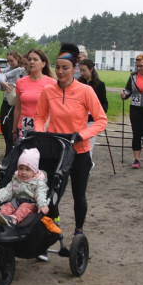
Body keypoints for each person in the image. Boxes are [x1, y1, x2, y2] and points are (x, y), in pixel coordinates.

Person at [34, 53, 107, 237]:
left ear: (74, 69)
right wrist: (41, 134)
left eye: (65, 67)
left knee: (79, 196)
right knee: (49, 194)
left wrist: (83, 135)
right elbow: (40, 117)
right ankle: (50, 229)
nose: (60, 71)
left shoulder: (86, 91)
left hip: (79, 151)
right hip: (55, 151)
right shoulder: (48, 91)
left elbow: (101, 120)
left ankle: (78, 231)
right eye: (57, 67)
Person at [0, 148, 48, 227]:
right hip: (16, 201)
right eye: (20, 168)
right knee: (9, 205)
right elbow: (8, 190)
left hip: (31, 204)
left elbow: (40, 194)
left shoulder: (38, 182)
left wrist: (42, 205)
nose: (23, 172)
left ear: (34, 172)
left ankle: (12, 220)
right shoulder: (16, 179)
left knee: (23, 208)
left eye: (28, 170)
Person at [12, 49, 55, 140]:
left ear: (43, 64)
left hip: (43, 129)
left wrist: (46, 127)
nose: (31, 62)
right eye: (29, 59)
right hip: (24, 128)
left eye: (35, 60)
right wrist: (14, 129)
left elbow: (54, 110)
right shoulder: (20, 82)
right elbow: (18, 108)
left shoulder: (51, 83)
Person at [77, 58, 109, 150]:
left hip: (92, 120)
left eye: (84, 70)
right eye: (80, 70)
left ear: (90, 69)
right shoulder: (78, 83)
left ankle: (88, 163)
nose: (82, 73)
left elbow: (104, 103)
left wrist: (100, 113)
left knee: (88, 146)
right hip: (79, 119)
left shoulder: (100, 84)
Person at [0, 51, 26, 158]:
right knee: (4, 126)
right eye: (8, 61)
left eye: (12, 61)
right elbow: (1, 80)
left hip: (17, 104)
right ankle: (9, 147)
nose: (10, 63)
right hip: (7, 101)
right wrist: (3, 83)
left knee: (12, 129)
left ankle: (10, 153)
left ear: (17, 59)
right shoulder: (8, 70)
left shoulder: (21, 70)